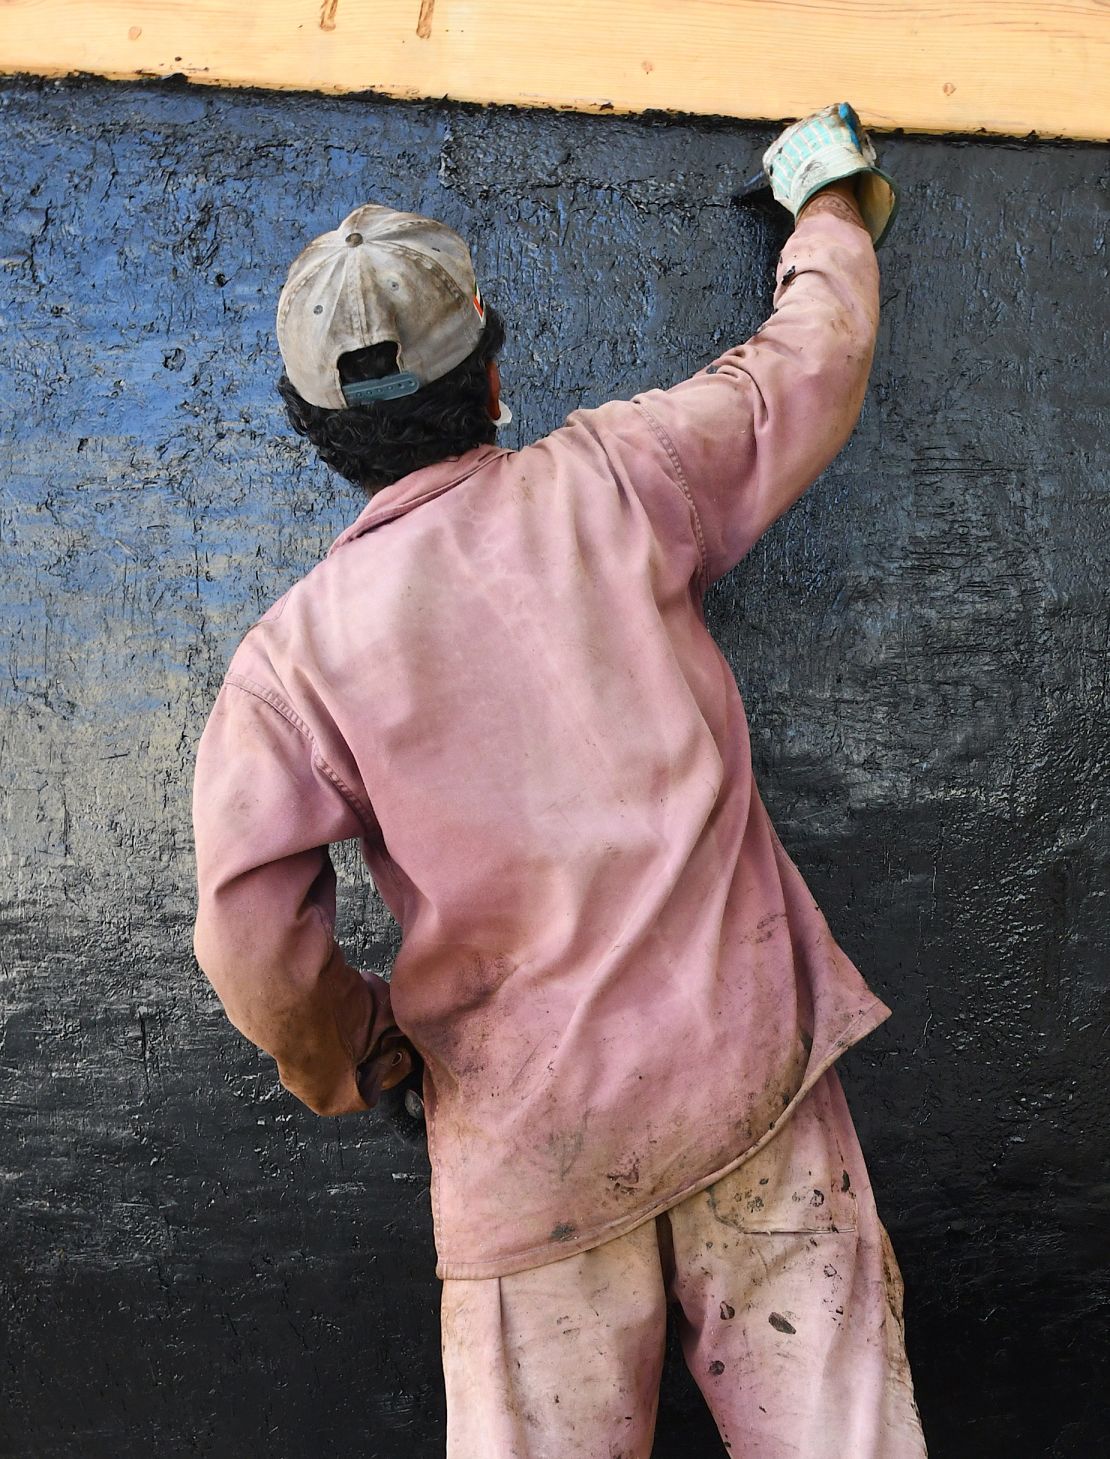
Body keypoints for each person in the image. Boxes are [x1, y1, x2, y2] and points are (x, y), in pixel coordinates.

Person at [192, 104, 927, 1457]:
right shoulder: (618, 478)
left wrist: (367, 1056)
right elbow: (808, 363)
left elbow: (252, 950)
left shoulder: (286, 668)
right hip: (745, 1078)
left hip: (525, 1152)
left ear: (308, 426)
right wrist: (826, 200)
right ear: (487, 362)